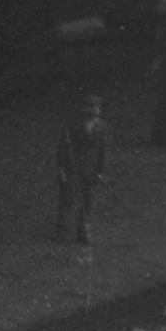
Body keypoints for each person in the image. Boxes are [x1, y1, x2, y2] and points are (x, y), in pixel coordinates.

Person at [53, 95, 110, 249]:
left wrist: (100, 171)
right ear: (84, 108)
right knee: (68, 200)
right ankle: (63, 232)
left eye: (97, 107)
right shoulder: (73, 126)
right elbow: (63, 150)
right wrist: (62, 169)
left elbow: (102, 151)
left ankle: (83, 232)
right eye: (90, 107)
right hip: (73, 169)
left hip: (90, 171)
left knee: (87, 202)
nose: (94, 110)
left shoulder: (101, 127)